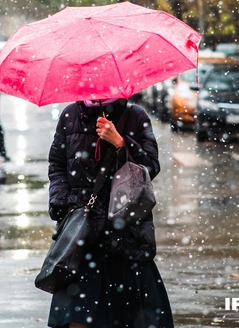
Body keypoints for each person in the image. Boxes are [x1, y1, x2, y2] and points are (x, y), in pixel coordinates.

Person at [46, 98, 174, 328]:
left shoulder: (135, 116)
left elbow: (150, 167)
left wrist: (121, 143)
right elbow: (57, 165)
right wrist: (63, 202)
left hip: (125, 230)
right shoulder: (70, 115)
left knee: (126, 315)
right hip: (82, 234)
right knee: (76, 318)